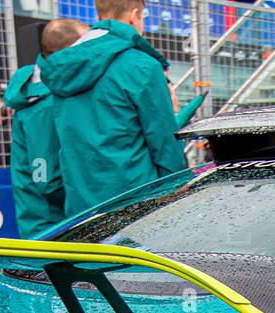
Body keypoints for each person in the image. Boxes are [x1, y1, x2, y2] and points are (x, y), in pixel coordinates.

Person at [41, 0, 189, 217]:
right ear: (134, 15)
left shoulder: (61, 68)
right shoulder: (142, 65)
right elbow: (165, 144)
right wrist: (178, 189)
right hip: (137, 207)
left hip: (80, 208)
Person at [4, 17, 87, 237]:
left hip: (50, 221)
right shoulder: (42, 105)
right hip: (50, 226)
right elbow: (46, 179)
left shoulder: (43, 94)